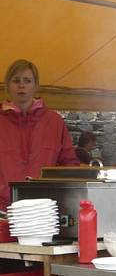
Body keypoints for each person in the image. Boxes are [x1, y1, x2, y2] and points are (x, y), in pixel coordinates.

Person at [0, 59, 79, 210]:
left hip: (43, 210)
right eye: (16, 80)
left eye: (27, 80)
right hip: (3, 210)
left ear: (36, 86)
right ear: (7, 86)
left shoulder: (54, 122)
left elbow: (69, 166)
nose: (21, 85)